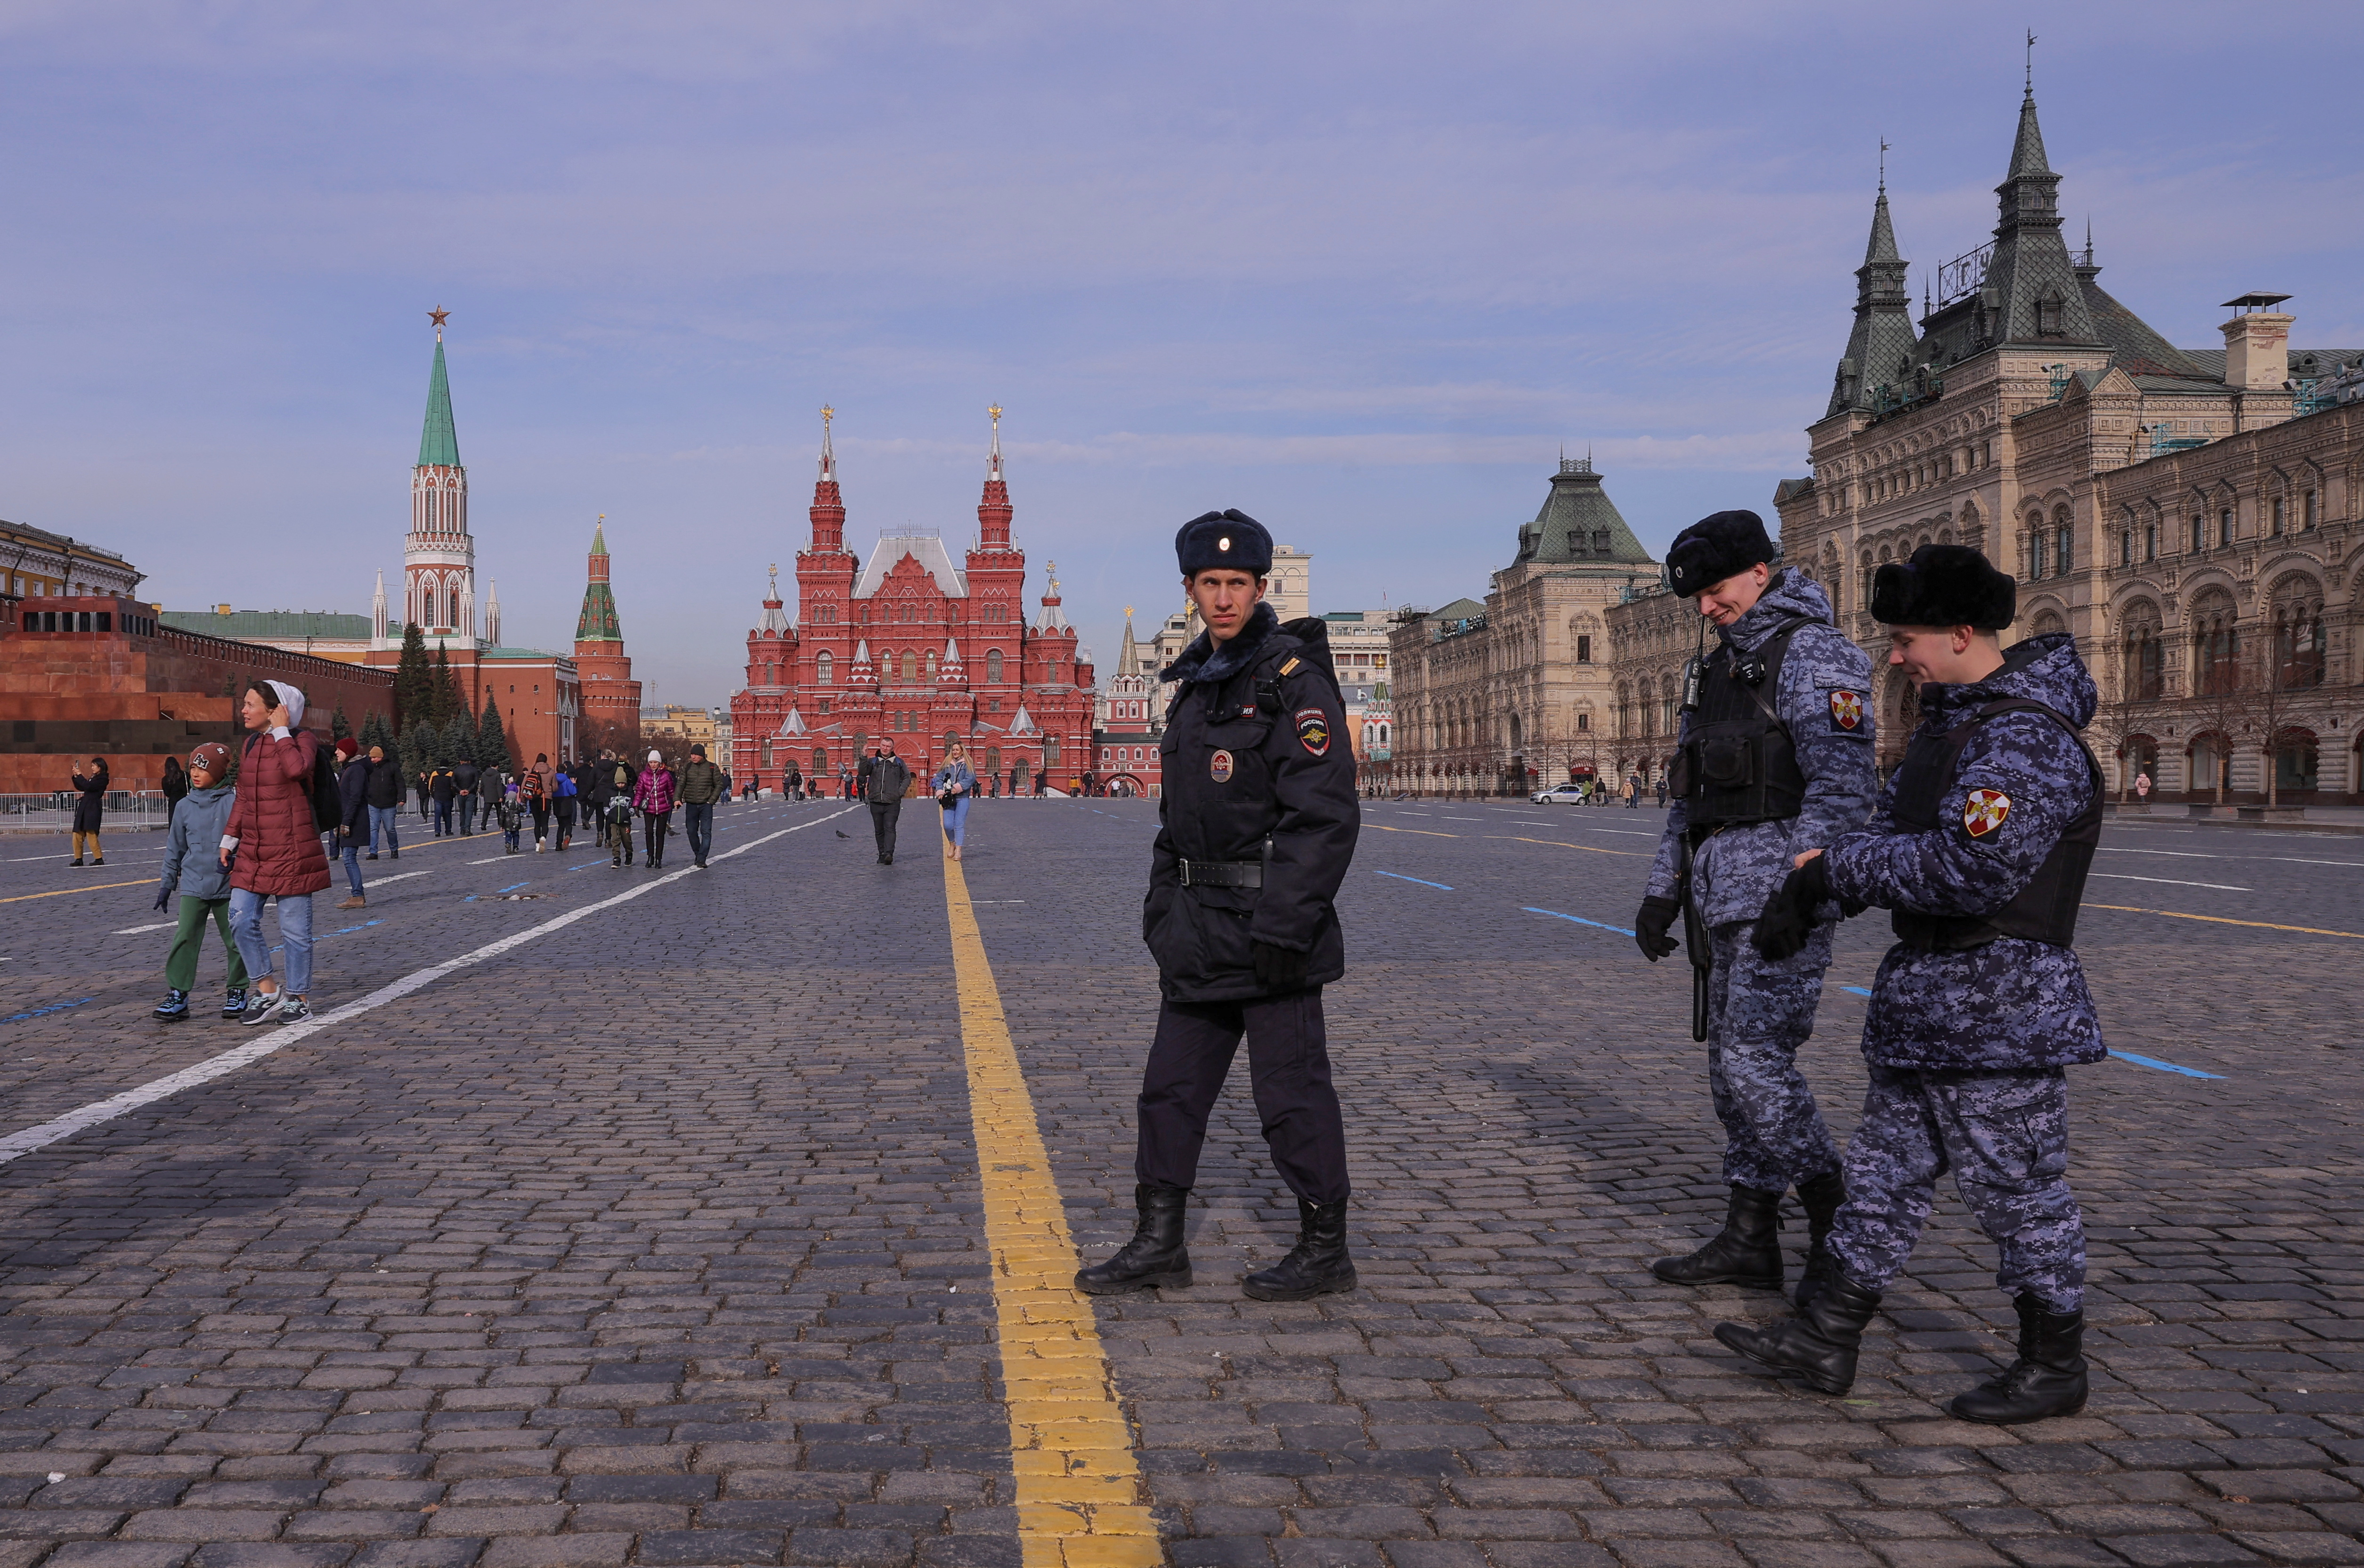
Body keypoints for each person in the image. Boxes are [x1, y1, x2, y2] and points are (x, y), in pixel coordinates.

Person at [1717, 545, 2104, 1425]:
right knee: (1880, 1181)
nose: (1894, 657)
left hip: (2002, 1007)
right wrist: (1813, 892)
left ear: (1962, 633)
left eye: (1906, 640)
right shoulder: (1947, 728)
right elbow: (1887, 835)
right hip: (1928, 1004)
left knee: (2017, 1192)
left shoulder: (2021, 737)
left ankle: (2053, 1360)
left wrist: (1834, 869)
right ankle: (1823, 1335)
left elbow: (1969, 869)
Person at [1075, 508, 1361, 1303]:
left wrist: (1284, 922)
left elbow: (1326, 815)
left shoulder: (1290, 682)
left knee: (1291, 1096)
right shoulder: (1196, 688)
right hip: (1198, 931)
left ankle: (1323, 1247)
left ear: (1260, 588)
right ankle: (1158, 1242)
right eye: (1211, 584)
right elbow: (1179, 816)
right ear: (1190, 590)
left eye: (1238, 584)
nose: (1225, 597)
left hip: (1272, 931)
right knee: (1169, 1089)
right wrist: (1160, 906)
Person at [1633, 509, 1877, 1301]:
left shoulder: (1813, 655)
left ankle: (1831, 1215)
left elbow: (1842, 791)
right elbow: (1686, 791)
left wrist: (1801, 892)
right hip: (1718, 897)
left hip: (1779, 901)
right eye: (1695, 599)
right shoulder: (1713, 669)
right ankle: (1748, 1234)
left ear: (1758, 573)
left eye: (1712, 592)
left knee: (1752, 1063)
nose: (1704, 609)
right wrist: (1661, 892)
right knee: (1725, 1072)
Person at [223, 679, 330, 1025]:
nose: (244, 710)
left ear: (276, 710)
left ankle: (299, 998)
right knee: (239, 918)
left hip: (292, 848)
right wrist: (229, 839)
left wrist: (282, 731)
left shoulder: (302, 740)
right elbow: (243, 796)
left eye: (251, 704)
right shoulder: (251, 744)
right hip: (254, 849)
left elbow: (297, 769)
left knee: (295, 931)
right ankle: (269, 991)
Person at [151, 743, 250, 1021]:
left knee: (236, 940)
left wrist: (239, 863)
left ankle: (238, 991)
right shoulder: (183, 806)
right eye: (192, 767)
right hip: (194, 885)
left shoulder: (235, 802)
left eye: (202, 768)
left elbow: (249, 840)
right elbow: (175, 848)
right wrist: (167, 884)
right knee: (185, 939)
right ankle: (178, 995)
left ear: (218, 772)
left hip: (229, 885)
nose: (195, 773)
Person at [332, 737, 369, 910]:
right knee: (348, 858)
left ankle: (358, 896)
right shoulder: (348, 769)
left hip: (354, 821)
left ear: (348, 752)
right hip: (347, 819)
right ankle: (356, 894)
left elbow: (355, 798)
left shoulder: (356, 770)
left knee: (349, 858)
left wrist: (346, 822)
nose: (336, 753)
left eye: (339, 750)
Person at [677, 743, 725, 869]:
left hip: (706, 805)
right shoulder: (687, 767)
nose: (693, 757)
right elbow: (681, 783)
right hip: (691, 805)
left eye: (696, 754)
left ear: (702, 755)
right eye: (692, 754)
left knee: (706, 832)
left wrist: (711, 801)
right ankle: (698, 854)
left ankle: (702, 859)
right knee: (691, 832)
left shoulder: (712, 768)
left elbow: (719, 785)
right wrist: (677, 799)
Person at [863, 743, 910, 865]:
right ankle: (882, 854)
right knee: (879, 830)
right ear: (880, 746)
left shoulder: (899, 762)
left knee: (890, 828)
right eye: (883, 745)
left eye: (888, 746)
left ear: (892, 749)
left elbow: (907, 777)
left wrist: (899, 793)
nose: (885, 748)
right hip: (875, 801)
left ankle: (889, 854)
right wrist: (863, 757)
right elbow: (863, 772)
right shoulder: (873, 761)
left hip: (892, 802)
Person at [632, 749, 676, 868]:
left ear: (659, 763)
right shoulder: (643, 775)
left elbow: (671, 790)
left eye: (655, 762)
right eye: (651, 762)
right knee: (649, 832)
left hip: (663, 807)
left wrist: (676, 801)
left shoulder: (666, 775)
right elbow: (640, 791)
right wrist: (636, 805)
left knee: (660, 833)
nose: (653, 765)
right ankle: (650, 856)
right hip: (649, 808)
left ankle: (659, 858)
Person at [934, 742, 977, 864]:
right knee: (947, 825)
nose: (955, 752)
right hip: (948, 798)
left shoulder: (968, 764)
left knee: (959, 825)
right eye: (953, 750)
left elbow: (970, 779)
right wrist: (941, 792)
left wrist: (957, 788)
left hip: (963, 797)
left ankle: (958, 851)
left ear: (962, 751)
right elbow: (939, 778)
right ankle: (952, 843)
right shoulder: (947, 764)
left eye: (957, 750)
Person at [365, 743, 402, 860]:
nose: (372, 759)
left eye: (374, 757)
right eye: (371, 757)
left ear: (380, 757)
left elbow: (400, 783)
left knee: (390, 829)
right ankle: (373, 852)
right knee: (373, 828)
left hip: (389, 804)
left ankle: (394, 849)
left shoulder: (393, 767)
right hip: (373, 803)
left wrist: (402, 798)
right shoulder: (369, 768)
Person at [69, 755, 108, 866]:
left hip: (93, 807)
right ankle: (78, 858)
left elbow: (89, 786)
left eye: (94, 766)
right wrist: (76, 777)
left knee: (91, 832)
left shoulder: (103, 779)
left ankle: (98, 858)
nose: (92, 768)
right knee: (77, 833)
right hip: (85, 806)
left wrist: (81, 775)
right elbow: (83, 787)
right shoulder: (94, 777)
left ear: (100, 767)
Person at [523, 754, 552, 850]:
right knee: (545, 822)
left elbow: (524, 786)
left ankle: (537, 845)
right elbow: (556, 787)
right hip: (546, 799)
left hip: (534, 799)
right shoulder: (551, 772)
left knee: (537, 823)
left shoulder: (531, 771)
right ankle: (543, 838)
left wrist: (523, 799)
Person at [551, 761, 578, 851]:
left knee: (560, 826)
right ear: (565, 772)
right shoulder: (567, 781)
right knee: (568, 823)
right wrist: (574, 784)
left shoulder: (554, 781)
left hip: (557, 803)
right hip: (567, 802)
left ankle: (558, 845)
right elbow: (573, 792)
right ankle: (568, 835)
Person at [429, 759, 458, 836]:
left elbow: (430, 786)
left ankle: (437, 831)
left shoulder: (434, 773)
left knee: (437, 815)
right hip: (448, 796)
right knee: (448, 814)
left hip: (438, 796)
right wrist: (453, 794)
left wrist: (433, 795)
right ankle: (448, 831)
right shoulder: (451, 773)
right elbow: (454, 786)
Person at [454, 755, 481, 837]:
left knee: (462, 811)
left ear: (461, 761)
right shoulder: (474, 770)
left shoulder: (456, 771)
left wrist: (460, 790)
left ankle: (462, 828)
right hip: (471, 793)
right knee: (469, 811)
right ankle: (467, 829)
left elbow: (453, 783)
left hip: (460, 794)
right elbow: (476, 782)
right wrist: (469, 790)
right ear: (469, 762)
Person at [496, 779, 525, 853]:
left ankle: (508, 844)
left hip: (507, 823)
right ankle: (516, 847)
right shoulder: (517, 805)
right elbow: (523, 810)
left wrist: (501, 825)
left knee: (508, 835)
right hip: (516, 823)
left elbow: (502, 816)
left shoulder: (505, 805)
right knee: (516, 836)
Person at [161, 755, 188, 827]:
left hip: (174, 803)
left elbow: (167, 793)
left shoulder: (166, 779)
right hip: (186, 801)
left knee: (174, 823)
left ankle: (175, 837)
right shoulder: (186, 775)